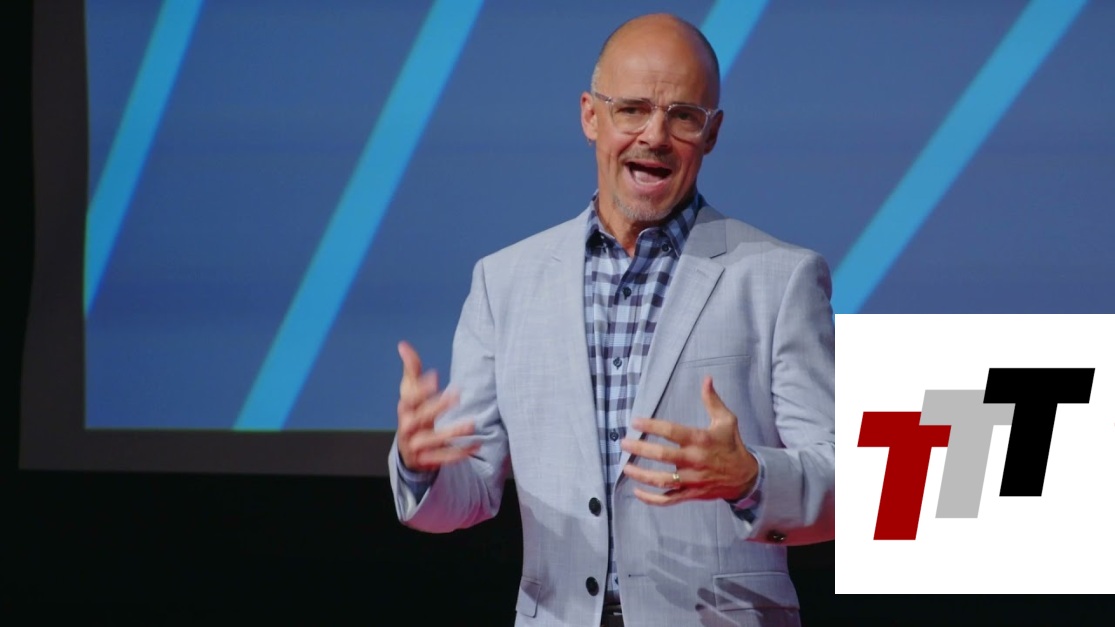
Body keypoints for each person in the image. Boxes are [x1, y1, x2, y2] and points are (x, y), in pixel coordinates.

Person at [388, 13, 834, 627]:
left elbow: (845, 483)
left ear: (711, 134)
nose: (655, 135)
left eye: (683, 116)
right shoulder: (505, 282)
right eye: (632, 109)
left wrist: (749, 478)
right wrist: (423, 464)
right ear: (590, 116)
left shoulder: (779, 278)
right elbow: (468, 495)